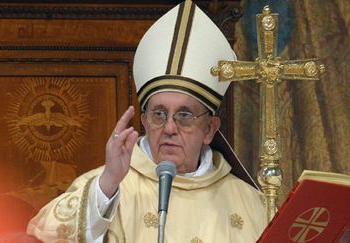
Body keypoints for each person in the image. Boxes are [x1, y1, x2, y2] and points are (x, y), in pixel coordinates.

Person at [27, 0, 267, 242]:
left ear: (209, 129)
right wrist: (108, 184)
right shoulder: (107, 188)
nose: (170, 128)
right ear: (144, 120)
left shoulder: (250, 203)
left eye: (184, 116)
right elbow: (47, 234)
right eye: (159, 114)